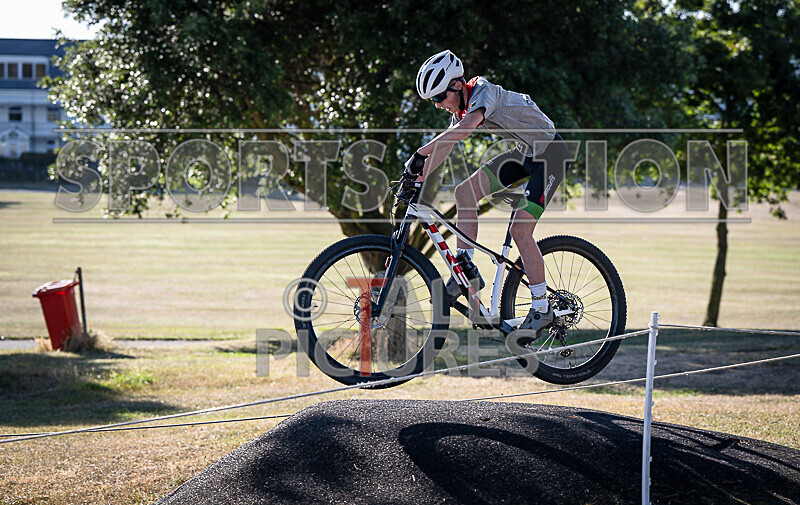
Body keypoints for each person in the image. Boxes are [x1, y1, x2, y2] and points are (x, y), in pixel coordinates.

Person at [404, 49, 571, 335]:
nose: (436, 105)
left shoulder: (482, 91)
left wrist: (420, 151)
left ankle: (542, 307)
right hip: (526, 153)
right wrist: (415, 176)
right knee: (464, 193)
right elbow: (445, 146)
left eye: (438, 97)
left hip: (552, 153)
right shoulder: (461, 108)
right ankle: (465, 268)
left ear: (457, 85)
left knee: (521, 230)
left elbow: (466, 130)